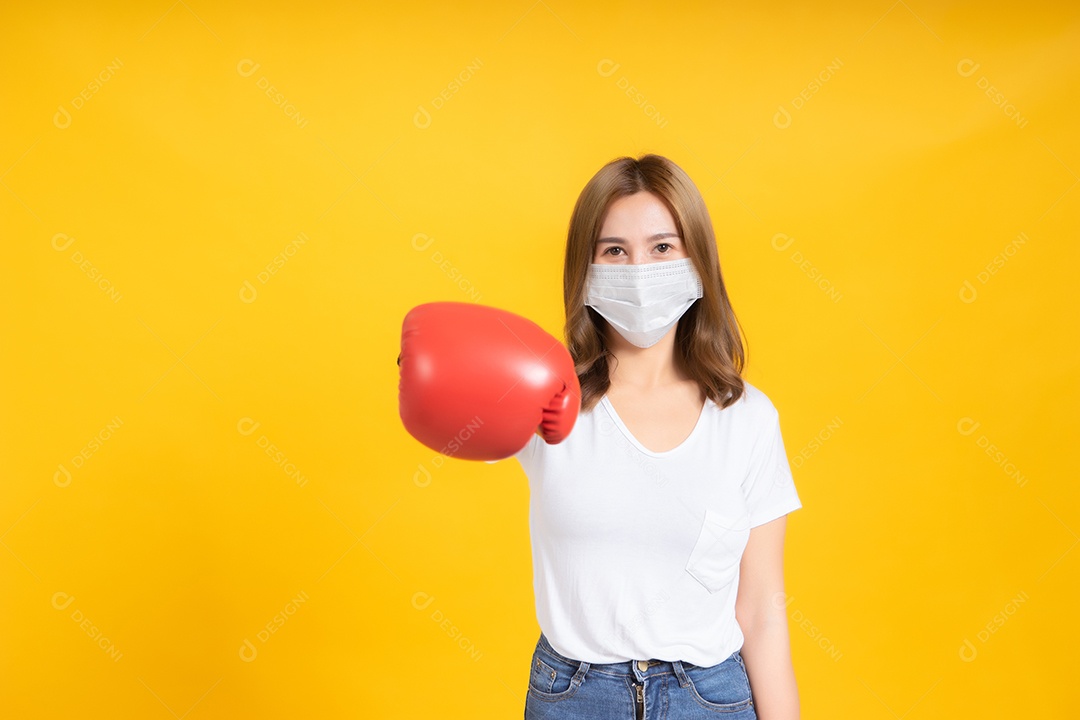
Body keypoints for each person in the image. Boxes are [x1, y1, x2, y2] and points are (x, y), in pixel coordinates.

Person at [513, 153, 803, 720]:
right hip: (573, 697)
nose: (638, 268)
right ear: (586, 267)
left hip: (710, 698)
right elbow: (449, 420)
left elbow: (763, 613)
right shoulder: (545, 403)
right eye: (614, 250)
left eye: (662, 247)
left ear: (697, 261)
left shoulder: (747, 419)